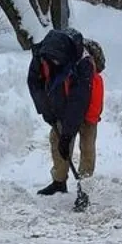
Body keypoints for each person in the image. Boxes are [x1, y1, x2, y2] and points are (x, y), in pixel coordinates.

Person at [27, 28, 102, 195]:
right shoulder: (40, 57)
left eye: (57, 61)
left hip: (88, 102)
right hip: (63, 99)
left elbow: (78, 101)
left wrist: (67, 134)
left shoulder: (83, 63)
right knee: (56, 141)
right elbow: (35, 85)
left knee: (87, 144)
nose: (54, 63)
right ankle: (59, 181)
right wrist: (47, 113)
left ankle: (85, 188)